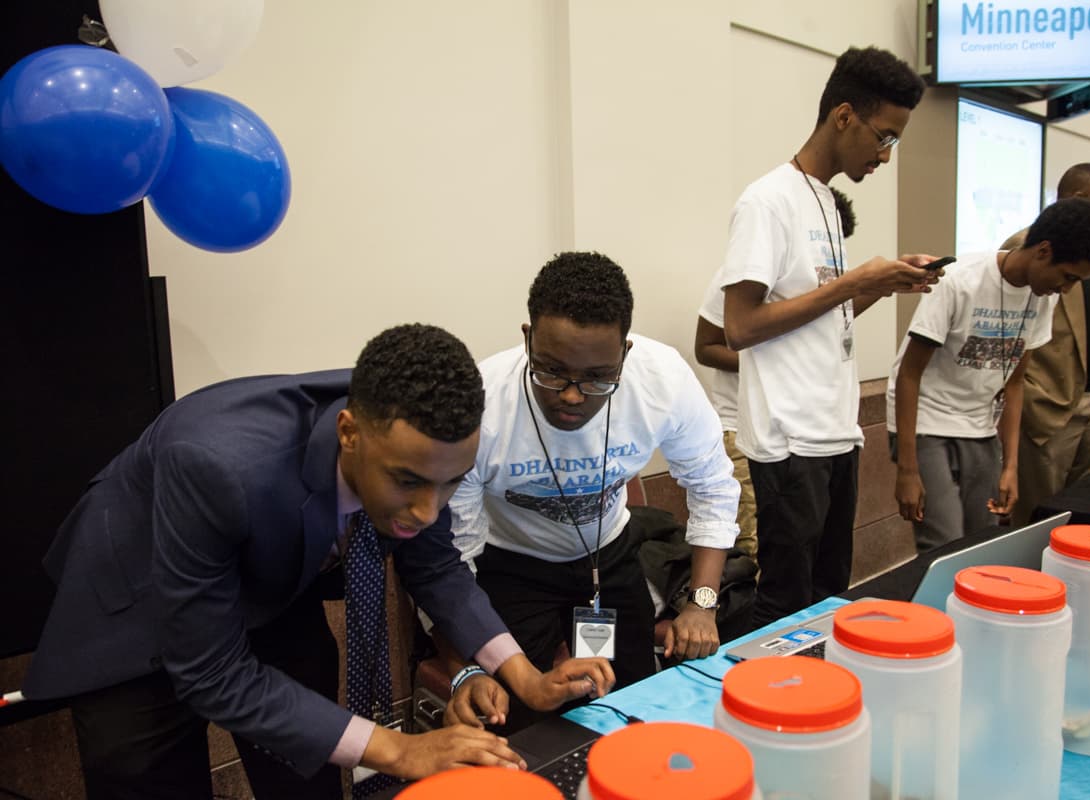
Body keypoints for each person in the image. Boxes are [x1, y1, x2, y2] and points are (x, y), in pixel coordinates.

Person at [21, 324, 614, 799]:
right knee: (146, 774)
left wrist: (525, 677)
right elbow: (212, 672)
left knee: (307, 759)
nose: (428, 511)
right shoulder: (215, 465)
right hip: (137, 606)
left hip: (276, 586)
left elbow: (435, 569)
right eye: (407, 482)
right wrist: (401, 749)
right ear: (349, 433)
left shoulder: (421, 442)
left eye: (450, 482)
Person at [446, 252, 740, 719]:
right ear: (527, 340)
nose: (571, 395)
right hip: (511, 565)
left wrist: (702, 604)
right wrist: (469, 664)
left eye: (598, 379)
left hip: (608, 556)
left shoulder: (661, 381)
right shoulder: (483, 405)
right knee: (522, 718)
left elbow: (712, 486)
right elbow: (453, 557)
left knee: (632, 703)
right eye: (552, 371)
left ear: (625, 352)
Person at [715, 46, 937, 627]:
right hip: (790, 440)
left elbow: (816, 320)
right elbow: (738, 327)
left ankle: (817, 710)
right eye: (884, 137)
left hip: (834, 433)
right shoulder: (768, 201)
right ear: (844, 116)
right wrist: (853, 282)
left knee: (827, 595)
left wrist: (882, 284)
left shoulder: (824, 203)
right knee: (785, 608)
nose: (887, 156)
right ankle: (769, 710)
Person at [887, 198, 1090, 551]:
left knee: (981, 542)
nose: (1067, 288)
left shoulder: (1045, 297)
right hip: (927, 424)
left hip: (980, 428)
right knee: (944, 544)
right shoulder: (960, 281)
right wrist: (907, 468)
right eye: (1068, 276)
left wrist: (1010, 466)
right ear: (1043, 251)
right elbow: (908, 374)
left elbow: (1014, 384)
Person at [694, 188, 859, 567]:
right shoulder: (744, 274)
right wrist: (774, 362)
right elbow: (706, 347)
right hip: (744, 431)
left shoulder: (826, 281)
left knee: (807, 557)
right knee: (756, 556)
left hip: (803, 437)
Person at [1004, 164, 1090, 524]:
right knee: (1040, 520)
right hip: (1051, 411)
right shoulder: (1027, 248)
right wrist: (1032, 399)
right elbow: (1004, 337)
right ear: (1079, 198)